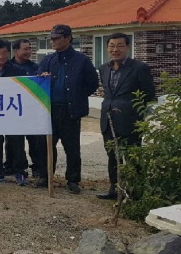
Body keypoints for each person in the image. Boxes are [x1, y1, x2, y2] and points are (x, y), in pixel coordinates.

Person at [36, 24, 99, 194]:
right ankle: (46, 176)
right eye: (51, 38)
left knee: (72, 148)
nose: (53, 41)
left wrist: (77, 96)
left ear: (68, 38)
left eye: (57, 38)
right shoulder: (48, 60)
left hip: (70, 110)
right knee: (46, 146)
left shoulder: (81, 60)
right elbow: (38, 80)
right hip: (50, 110)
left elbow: (92, 83)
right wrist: (42, 77)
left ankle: (73, 180)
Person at [97, 33, 156, 199]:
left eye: (120, 46)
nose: (115, 49)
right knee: (112, 156)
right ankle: (114, 189)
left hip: (130, 121)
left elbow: (149, 93)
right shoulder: (104, 68)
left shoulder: (139, 68)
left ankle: (135, 193)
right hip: (108, 119)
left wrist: (130, 109)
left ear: (127, 47)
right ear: (107, 48)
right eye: (112, 46)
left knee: (132, 157)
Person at [0, 39, 29, 184]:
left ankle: (20, 171)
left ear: (9, 53)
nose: (1, 57)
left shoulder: (18, 71)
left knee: (16, 143)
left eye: (4, 53)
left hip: (12, 112)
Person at [9, 38, 45, 177]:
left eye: (30, 48)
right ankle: (18, 168)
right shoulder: (8, 67)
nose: (28, 51)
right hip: (13, 111)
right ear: (16, 50)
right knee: (14, 143)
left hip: (32, 111)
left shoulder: (36, 68)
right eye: (25, 49)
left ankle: (37, 167)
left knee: (36, 142)